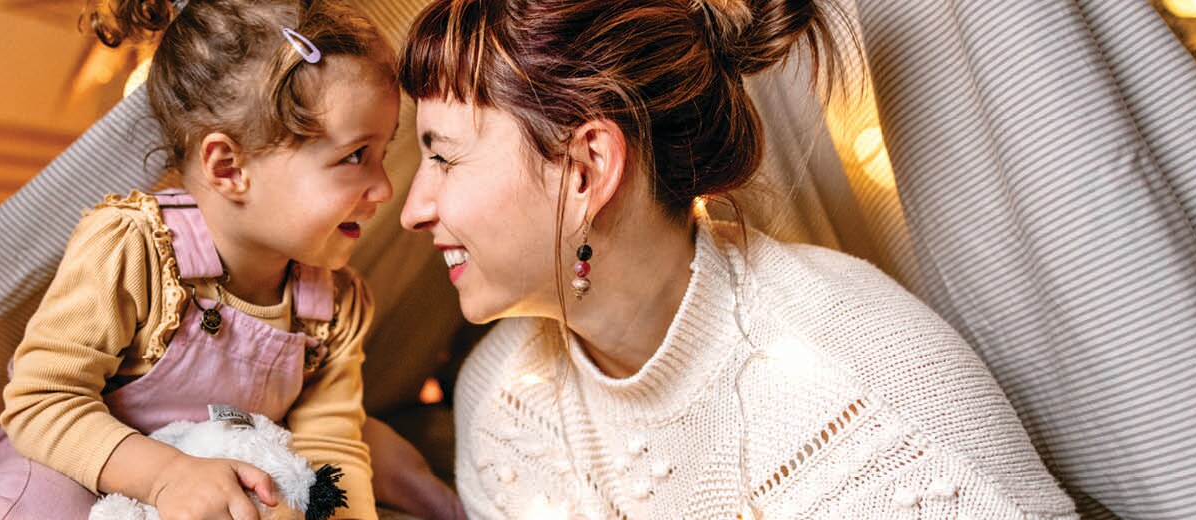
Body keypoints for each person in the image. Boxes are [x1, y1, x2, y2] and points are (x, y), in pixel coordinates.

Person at [395, 0, 1079, 517]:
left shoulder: (870, 382)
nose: (412, 208)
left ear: (586, 169)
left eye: (443, 156)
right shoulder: (502, 398)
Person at [0, 0, 398, 517]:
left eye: (385, 153)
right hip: (77, 469)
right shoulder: (133, 249)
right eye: (355, 156)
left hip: (213, 490)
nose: (384, 187)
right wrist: (167, 477)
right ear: (228, 167)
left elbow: (332, 447)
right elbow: (41, 402)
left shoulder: (335, 305)